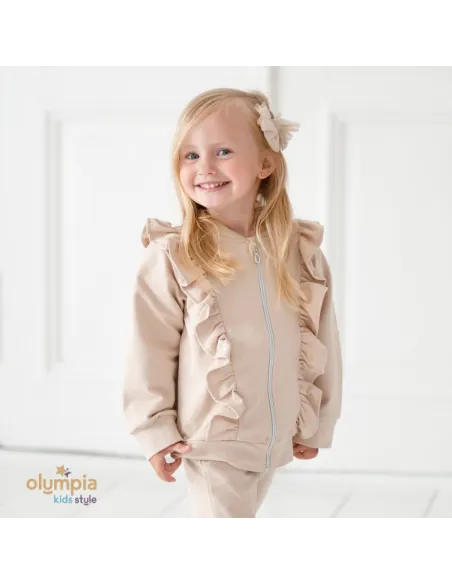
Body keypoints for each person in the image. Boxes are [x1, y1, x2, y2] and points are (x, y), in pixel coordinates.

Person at [122, 87, 343, 520]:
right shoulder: (174, 256)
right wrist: (155, 431)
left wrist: (317, 422)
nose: (205, 167)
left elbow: (324, 341)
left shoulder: (299, 253)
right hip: (210, 441)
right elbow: (148, 350)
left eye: (222, 151)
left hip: (272, 438)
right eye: (190, 155)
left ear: (265, 163)